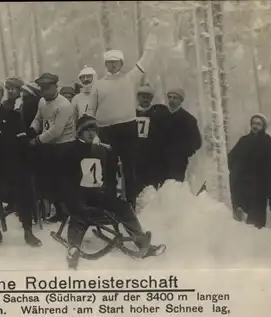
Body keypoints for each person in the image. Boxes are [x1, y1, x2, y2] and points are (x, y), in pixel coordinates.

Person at [58, 115, 165, 269]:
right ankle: (73, 248)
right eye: (87, 130)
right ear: (80, 132)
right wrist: (70, 200)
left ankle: (142, 242)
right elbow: (66, 181)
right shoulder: (71, 151)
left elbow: (108, 178)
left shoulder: (101, 150)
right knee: (79, 215)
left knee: (122, 207)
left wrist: (109, 197)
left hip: (97, 195)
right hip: (78, 195)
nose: (91, 133)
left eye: (93, 129)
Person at [87, 18, 164, 208]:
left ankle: (130, 205)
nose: (113, 66)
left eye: (116, 63)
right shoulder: (98, 85)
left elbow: (147, 57)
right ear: (106, 65)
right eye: (109, 63)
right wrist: (93, 134)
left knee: (130, 169)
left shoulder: (130, 79)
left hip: (127, 128)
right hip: (106, 131)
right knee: (109, 169)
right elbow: (89, 111)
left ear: (121, 63)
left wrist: (153, 33)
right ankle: (112, 206)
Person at [0, 80, 42, 249]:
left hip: (14, 163)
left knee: (25, 192)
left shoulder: (13, 115)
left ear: (1, 95)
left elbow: (22, 141)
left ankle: (28, 231)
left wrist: (26, 162)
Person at [29, 73, 75, 223]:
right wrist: (32, 129)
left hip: (65, 145)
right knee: (51, 180)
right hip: (49, 145)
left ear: (56, 87)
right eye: (41, 88)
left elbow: (56, 131)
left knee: (64, 180)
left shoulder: (64, 104)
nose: (44, 91)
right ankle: (59, 211)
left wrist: (37, 140)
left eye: (47, 88)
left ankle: (70, 211)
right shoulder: (42, 101)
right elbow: (38, 118)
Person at [228, 114, 271, 228]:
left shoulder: (270, 143)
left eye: (258, 124)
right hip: (243, 189)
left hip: (260, 191)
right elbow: (231, 159)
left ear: (264, 126)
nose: (255, 126)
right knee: (239, 225)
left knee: (256, 224)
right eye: (253, 123)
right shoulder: (243, 141)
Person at [135, 85, 170, 195]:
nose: (145, 99)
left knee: (151, 183)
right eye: (143, 97)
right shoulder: (131, 114)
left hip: (152, 156)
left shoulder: (157, 114)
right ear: (138, 97)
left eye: (148, 97)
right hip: (135, 155)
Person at [161, 88, 202, 183]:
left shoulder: (188, 119)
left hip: (178, 163)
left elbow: (197, 143)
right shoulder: (162, 116)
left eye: (175, 98)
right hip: (160, 162)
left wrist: (183, 153)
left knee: (174, 187)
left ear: (181, 100)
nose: (171, 100)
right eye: (170, 97)